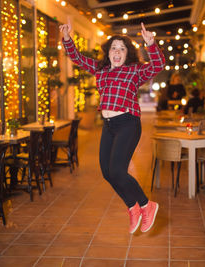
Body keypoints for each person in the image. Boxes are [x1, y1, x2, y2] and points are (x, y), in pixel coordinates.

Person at [60, 20, 165, 233]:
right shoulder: (101, 70)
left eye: (122, 49)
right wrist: (67, 39)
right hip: (109, 126)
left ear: (128, 54)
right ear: (108, 53)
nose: (117, 52)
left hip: (128, 123)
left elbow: (157, 66)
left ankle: (147, 205)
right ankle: (133, 208)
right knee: (107, 172)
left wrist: (151, 44)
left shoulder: (135, 71)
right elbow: (77, 58)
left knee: (118, 169)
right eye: (114, 48)